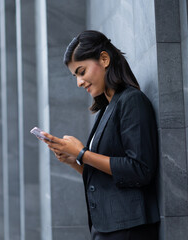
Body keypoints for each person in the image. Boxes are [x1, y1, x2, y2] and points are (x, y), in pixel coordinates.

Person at [41, 30, 160, 240]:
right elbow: (106, 175)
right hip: (106, 228)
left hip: (128, 228)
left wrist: (82, 153)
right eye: (75, 75)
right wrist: (74, 160)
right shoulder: (106, 109)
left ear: (104, 59)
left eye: (81, 71)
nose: (79, 82)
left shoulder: (132, 101)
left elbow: (140, 169)